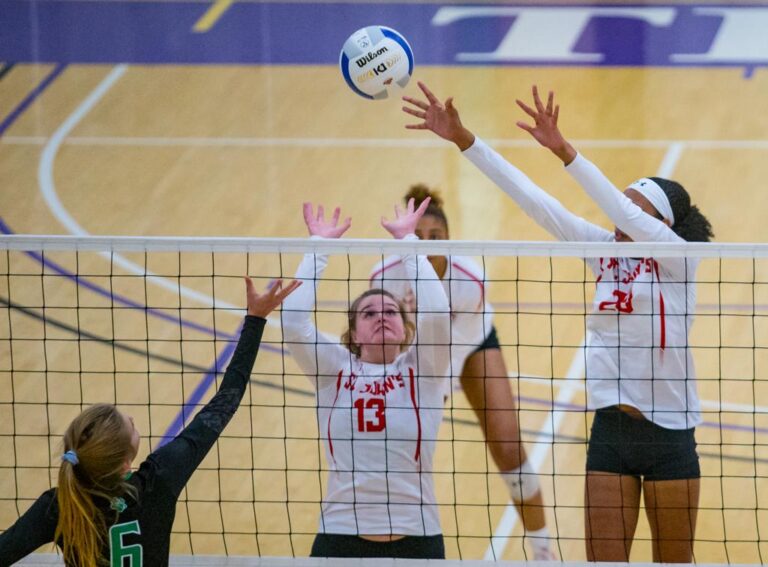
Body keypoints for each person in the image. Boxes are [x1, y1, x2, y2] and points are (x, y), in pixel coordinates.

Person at [402, 81, 713, 563]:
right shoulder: (605, 254)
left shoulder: (678, 262)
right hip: (611, 431)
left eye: (636, 209)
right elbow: (534, 200)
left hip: (671, 436)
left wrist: (566, 151)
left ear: (661, 225)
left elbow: (614, 205)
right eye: (624, 205)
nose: (620, 217)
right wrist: (466, 140)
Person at [0, 277, 300, 567]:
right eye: (128, 424)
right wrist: (256, 319)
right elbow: (225, 402)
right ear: (125, 466)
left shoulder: (59, 506)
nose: (131, 418)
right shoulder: (158, 482)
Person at [369, 185, 554, 560]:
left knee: (507, 447)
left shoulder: (469, 280)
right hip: (416, 355)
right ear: (406, 237)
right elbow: (389, 347)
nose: (426, 243)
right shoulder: (384, 278)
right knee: (399, 452)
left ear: (449, 240)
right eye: (418, 236)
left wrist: (439, 389)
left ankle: (544, 550)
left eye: (435, 237)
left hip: (469, 347)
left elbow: (451, 350)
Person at [281, 200, 451, 559]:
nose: (381, 316)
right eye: (368, 313)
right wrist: (319, 249)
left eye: (390, 311)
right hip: (341, 537)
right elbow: (294, 322)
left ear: (406, 329)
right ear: (354, 334)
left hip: (417, 538)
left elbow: (436, 311)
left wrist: (408, 243)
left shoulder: (423, 369)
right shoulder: (334, 370)